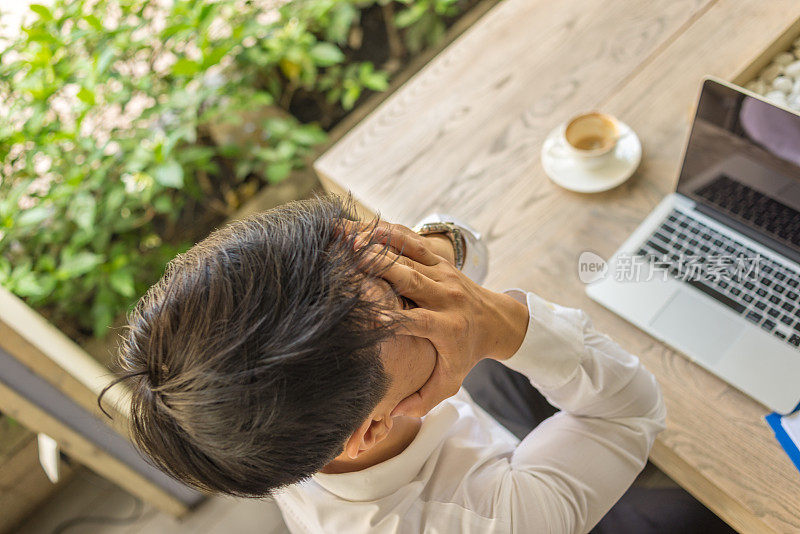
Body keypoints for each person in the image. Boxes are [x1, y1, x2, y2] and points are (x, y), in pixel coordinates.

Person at [101, 195, 733, 533]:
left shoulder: (260, 404)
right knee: (711, 507)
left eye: (379, 256)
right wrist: (499, 322)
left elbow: (451, 261)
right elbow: (631, 411)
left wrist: (436, 249)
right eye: (411, 301)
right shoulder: (490, 523)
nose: (435, 286)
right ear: (368, 429)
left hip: (462, 433)